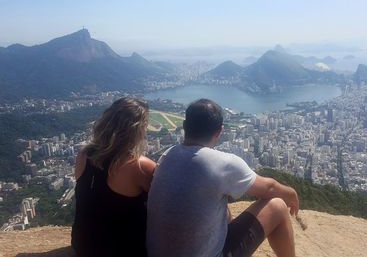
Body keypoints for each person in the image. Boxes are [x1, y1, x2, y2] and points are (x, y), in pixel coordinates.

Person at [147, 98, 299, 257]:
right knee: (278, 206)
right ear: (220, 132)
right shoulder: (222, 163)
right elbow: (269, 188)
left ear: (185, 126)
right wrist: (291, 193)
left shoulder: (166, 156)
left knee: (217, 197)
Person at [71, 97, 156, 257]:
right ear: (138, 130)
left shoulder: (83, 155)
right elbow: (165, 205)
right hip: (120, 249)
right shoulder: (139, 166)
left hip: (82, 244)